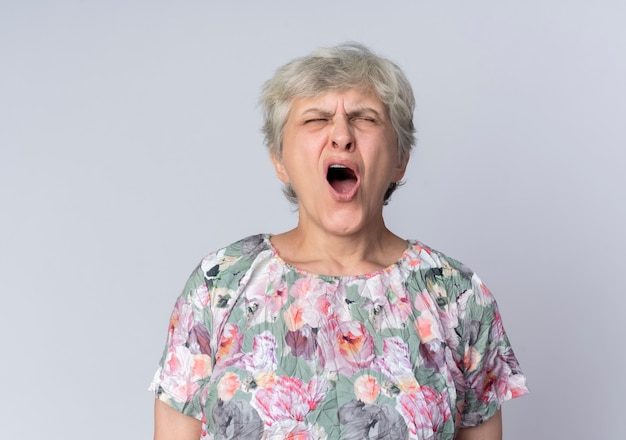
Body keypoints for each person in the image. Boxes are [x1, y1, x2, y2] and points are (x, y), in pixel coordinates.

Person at [150, 42, 528, 440]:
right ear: (280, 159)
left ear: (400, 158)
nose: (342, 136)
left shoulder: (457, 295)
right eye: (316, 119)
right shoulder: (218, 285)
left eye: (365, 118)